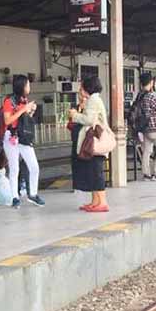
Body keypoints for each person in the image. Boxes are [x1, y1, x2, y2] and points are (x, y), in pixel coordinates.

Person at [0, 75, 43, 208]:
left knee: (34, 166)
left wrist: (30, 112)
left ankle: (33, 194)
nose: (29, 87)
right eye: (28, 85)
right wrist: (24, 109)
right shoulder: (8, 101)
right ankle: (14, 197)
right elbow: (7, 120)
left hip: (23, 136)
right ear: (22, 86)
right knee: (14, 168)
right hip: (11, 137)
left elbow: (23, 120)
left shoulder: (24, 100)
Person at [69, 75, 108, 212]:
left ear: (87, 88)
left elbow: (89, 120)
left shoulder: (93, 100)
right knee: (92, 171)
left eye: (82, 87)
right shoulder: (94, 99)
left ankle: (102, 202)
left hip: (94, 141)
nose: (80, 90)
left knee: (96, 171)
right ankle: (95, 201)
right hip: (93, 140)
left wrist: (74, 115)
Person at [134, 72, 156, 180]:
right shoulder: (152, 96)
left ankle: (146, 174)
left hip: (145, 128)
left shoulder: (140, 96)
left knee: (147, 151)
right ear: (151, 82)